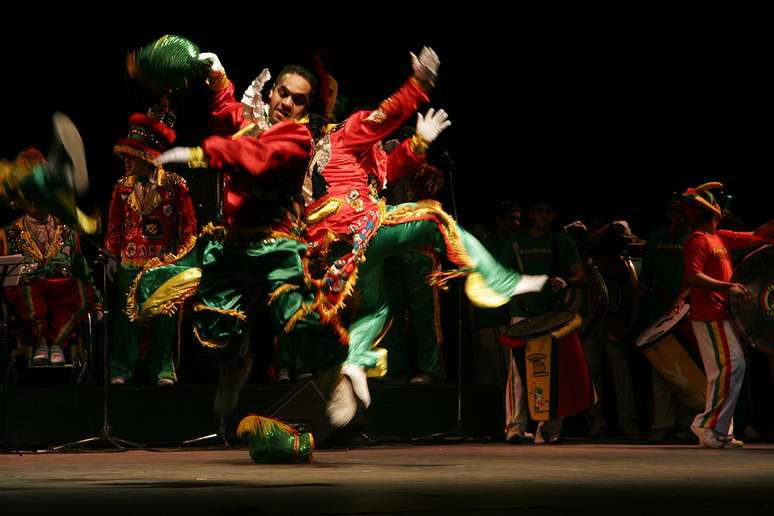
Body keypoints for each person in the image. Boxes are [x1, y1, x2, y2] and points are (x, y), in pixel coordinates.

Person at [293, 46, 547, 428]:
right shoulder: (348, 133)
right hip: (355, 226)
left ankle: (354, 366)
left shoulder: (333, 154)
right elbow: (387, 115)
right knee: (432, 216)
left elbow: (389, 170)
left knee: (377, 308)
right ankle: (502, 280)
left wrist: (420, 144)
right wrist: (420, 83)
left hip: (333, 248)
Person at [106, 107, 197, 386]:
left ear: (148, 157)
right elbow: (114, 226)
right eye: (124, 155)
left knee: (164, 320)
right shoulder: (121, 187)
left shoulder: (175, 185)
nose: (126, 161)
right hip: (129, 264)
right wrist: (112, 256)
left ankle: (163, 369)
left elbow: (189, 227)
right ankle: (121, 368)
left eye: (131, 155)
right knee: (125, 320)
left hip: (164, 265)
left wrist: (182, 264)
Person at [680, 182, 774, 449]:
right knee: (732, 367)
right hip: (710, 314)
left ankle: (720, 430)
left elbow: (758, 235)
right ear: (715, 210)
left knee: (722, 371)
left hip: (721, 315)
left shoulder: (720, 237)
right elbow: (693, 276)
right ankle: (707, 425)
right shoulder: (698, 240)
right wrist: (727, 287)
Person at [499, 197, 590, 444]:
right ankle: (515, 427)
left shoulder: (563, 242)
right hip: (522, 312)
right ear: (532, 214)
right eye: (539, 211)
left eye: (549, 211)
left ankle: (547, 429)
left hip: (553, 314)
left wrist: (566, 281)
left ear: (554, 214)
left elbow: (580, 276)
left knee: (552, 371)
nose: (544, 216)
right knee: (518, 372)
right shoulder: (516, 241)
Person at [0, 149, 103, 366]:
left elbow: (81, 269)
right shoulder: (7, 233)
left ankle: (56, 344)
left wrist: (98, 304)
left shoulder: (67, 230)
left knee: (79, 290)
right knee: (24, 292)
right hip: (27, 295)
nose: (35, 200)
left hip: (62, 292)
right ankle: (41, 344)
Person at [637, 194, 694, 442]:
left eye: (680, 210)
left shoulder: (695, 238)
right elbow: (645, 279)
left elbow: (696, 275)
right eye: (671, 210)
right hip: (659, 312)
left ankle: (687, 424)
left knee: (688, 367)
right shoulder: (657, 239)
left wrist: (683, 299)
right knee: (662, 369)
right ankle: (662, 423)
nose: (675, 215)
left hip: (689, 312)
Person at [0, 113, 98, 234]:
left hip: (40, 186)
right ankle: (63, 173)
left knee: (51, 190)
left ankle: (64, 174)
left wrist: (85, 224)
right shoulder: (24, 179)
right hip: (23, 184)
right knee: (45, 183)